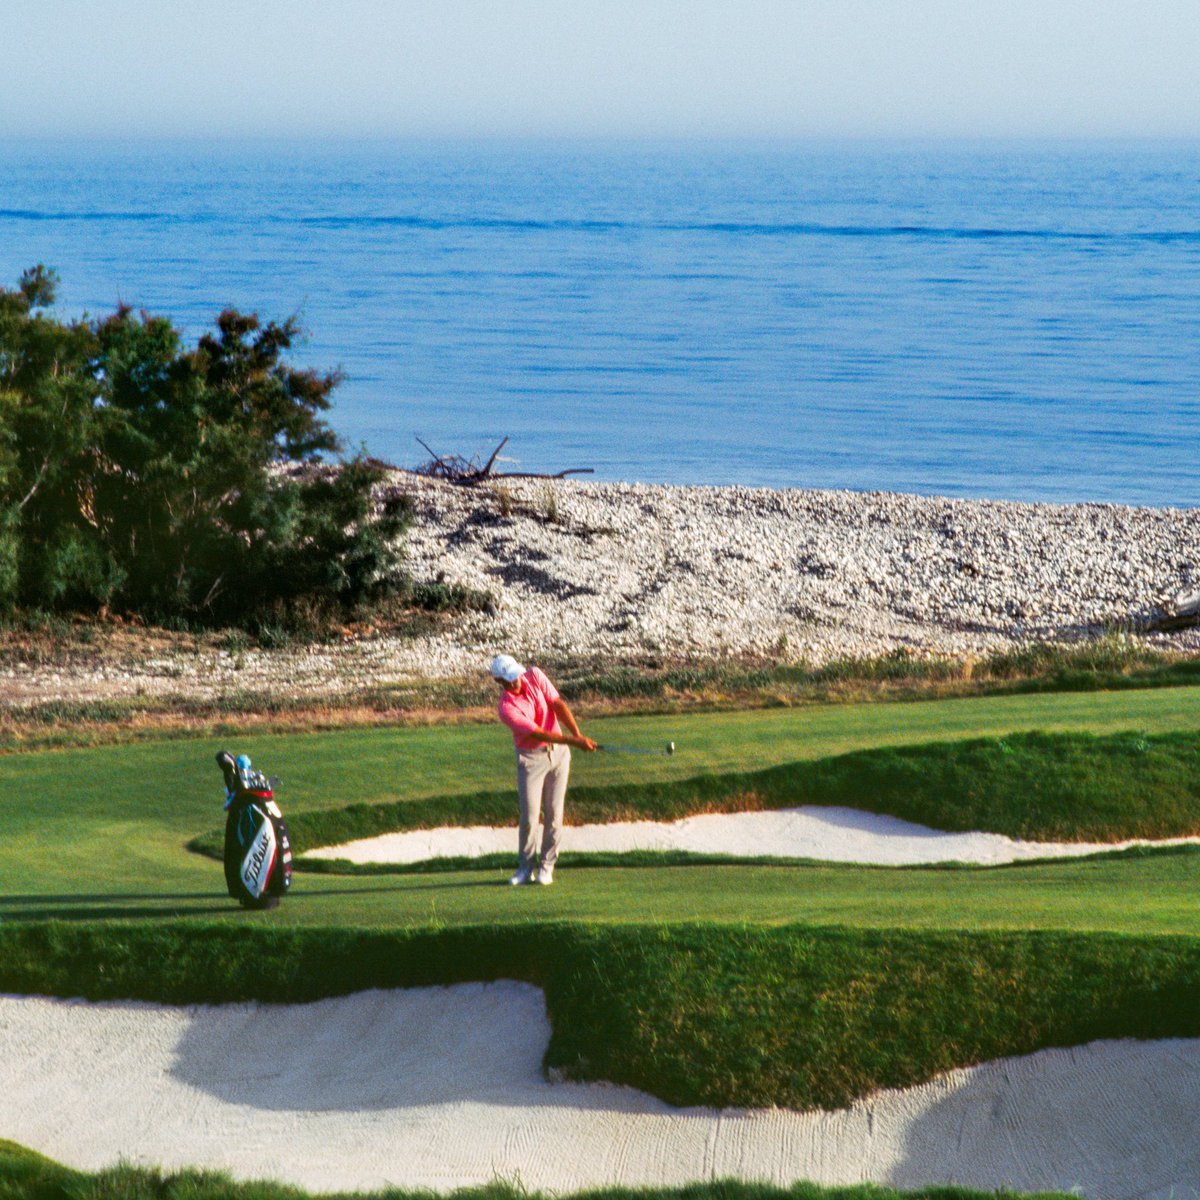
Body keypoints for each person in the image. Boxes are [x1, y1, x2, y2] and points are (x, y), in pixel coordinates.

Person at [490, 654, 596, 886]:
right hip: (531, 760)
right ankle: (525, 869)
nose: (516, 681)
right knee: (529, 817)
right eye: (509, 679)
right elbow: (537, 732)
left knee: (555, 814)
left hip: (558, 756)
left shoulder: (535, 675)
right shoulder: (506, 708)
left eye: (516, 675)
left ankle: (546, 867)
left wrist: (578, 735)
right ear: (500, 681)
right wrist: (574, 741)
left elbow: (557, 704)